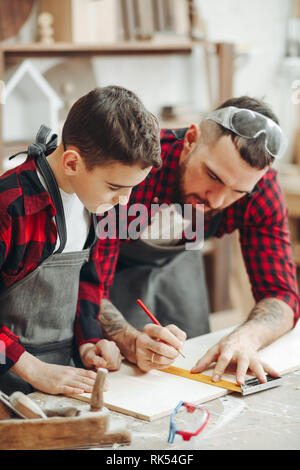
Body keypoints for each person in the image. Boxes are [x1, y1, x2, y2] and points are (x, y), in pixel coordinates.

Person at [0, 86, 187, 396]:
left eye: (131, 189)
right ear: (73, 163)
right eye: (116, 187)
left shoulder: (93, 201)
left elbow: (86, 279)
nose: (125, 203)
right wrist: (34, 369)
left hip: (59, 374)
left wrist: (88, 341)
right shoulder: (11, 205)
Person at [103, 96, 299, 386]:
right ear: (191, 139)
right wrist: (128, 340)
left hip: (179, 262)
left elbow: (282, 294)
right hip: (108, 268)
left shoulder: (258, 188)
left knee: (188, 368)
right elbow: (83, 277)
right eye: (213, 176)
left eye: (237, 192)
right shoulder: (138, 163)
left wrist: (246, 338)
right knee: (124, 376)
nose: (217, 200)